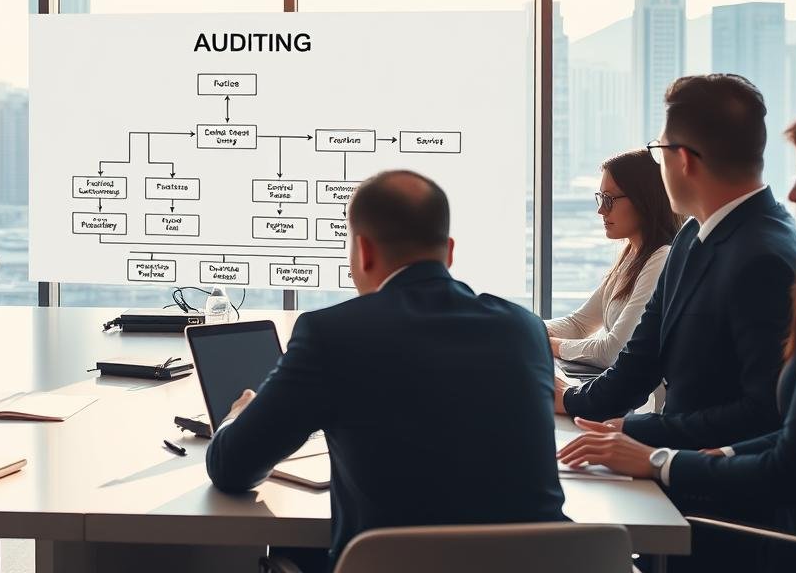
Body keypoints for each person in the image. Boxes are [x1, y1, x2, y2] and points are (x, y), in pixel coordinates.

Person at [557, 100, 796, 572]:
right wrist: (711, 451)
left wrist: (660, 460)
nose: (793, 194)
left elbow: (788, 452)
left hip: (784, 539)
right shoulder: (694, 237)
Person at [206, 170, 566, 572]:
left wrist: (237, 417)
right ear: (448, 251)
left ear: (363, 251)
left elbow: (233, 468)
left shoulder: (331, 334)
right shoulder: (525, 328)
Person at [557, 74, 796, 452]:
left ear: (684, 159)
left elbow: (765, 413)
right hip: (669, 461)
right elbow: (639, 361)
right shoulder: (692, 236)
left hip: (707, 486)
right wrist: (570, 399)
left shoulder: (765, 259)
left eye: (660, 152)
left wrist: (639, 436)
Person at [546, 149, 680, 368]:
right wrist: (526, 330)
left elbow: (613, 351)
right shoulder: (631, 255)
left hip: (644, 400)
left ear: (643, 198)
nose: (601, 210)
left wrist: (549, 344)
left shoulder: (661, 260)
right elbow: (579, 324)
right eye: (600, 198)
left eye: (609, 199)